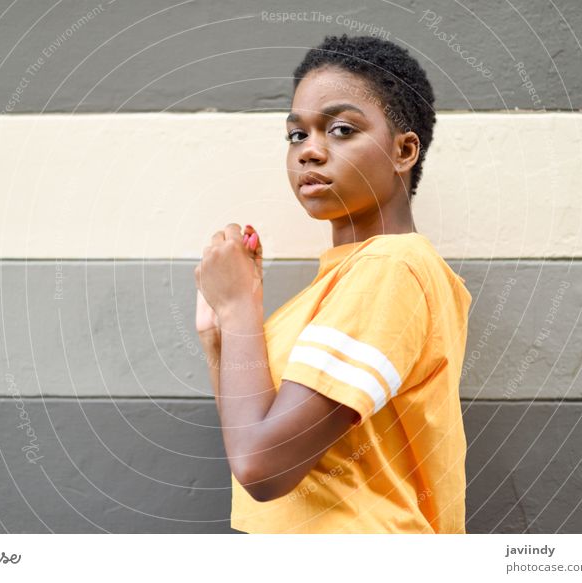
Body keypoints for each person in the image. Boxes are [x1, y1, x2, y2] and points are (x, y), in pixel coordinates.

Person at [194, 34, 472, 534]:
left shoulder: (391, 268)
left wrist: (239, 308)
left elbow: (264, 467)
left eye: (341, 129)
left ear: (404, 149)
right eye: (296, 135)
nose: (310, 152)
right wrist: (221, 338)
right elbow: (253, 442)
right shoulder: (342, 280)